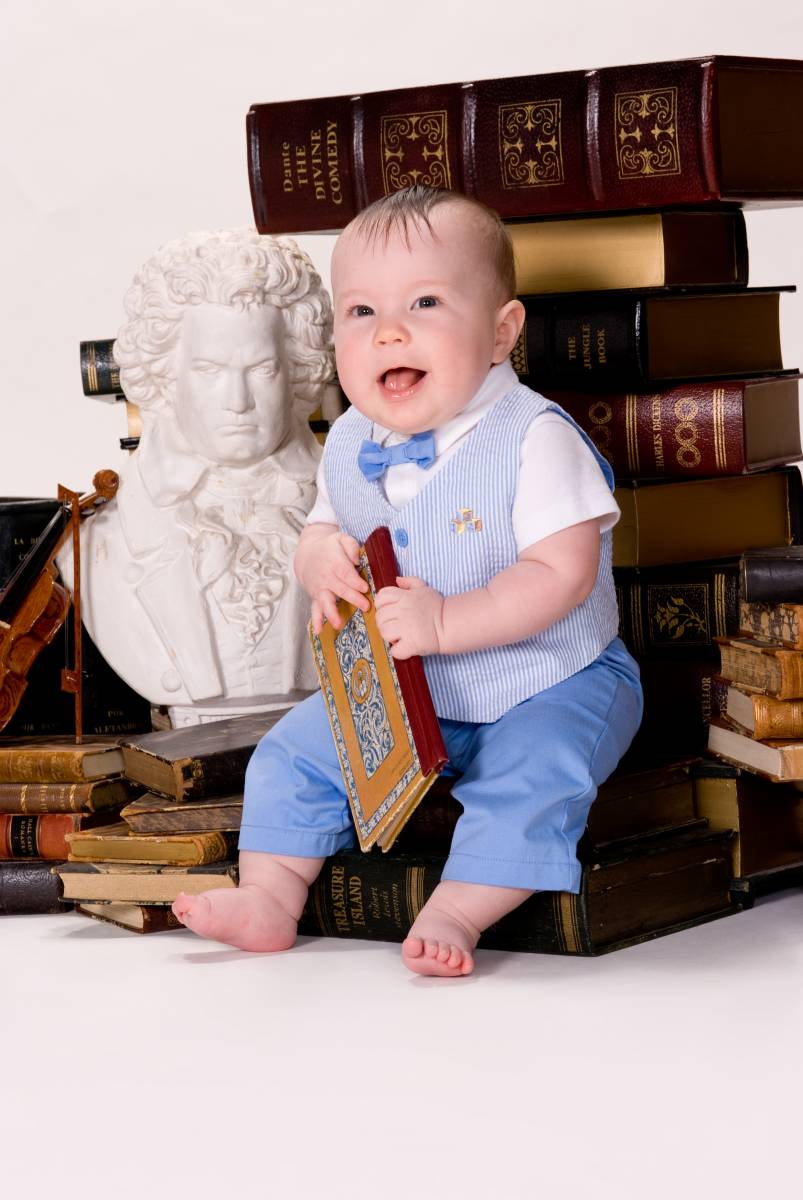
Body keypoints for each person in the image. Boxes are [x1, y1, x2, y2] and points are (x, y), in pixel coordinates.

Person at [172, 186, 643, 974]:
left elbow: (562, 575)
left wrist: (447, 624)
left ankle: (458, 908)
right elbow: (329, 523)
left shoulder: (533, 438)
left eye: (424, 302)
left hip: (552, 680)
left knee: (536, 772)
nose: (389, 330)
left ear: (501, 332)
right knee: (289, 755)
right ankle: (269, 895)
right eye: (360, 312)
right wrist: (317, 553)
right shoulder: (352, 438)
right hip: (411, 690)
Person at [59, 228, 340, 726]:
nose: (238, 400)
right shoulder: (93, 543)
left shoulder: (362, 511)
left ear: (298, 370)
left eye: (263, 370)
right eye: (210, 370)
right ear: (166, 376)